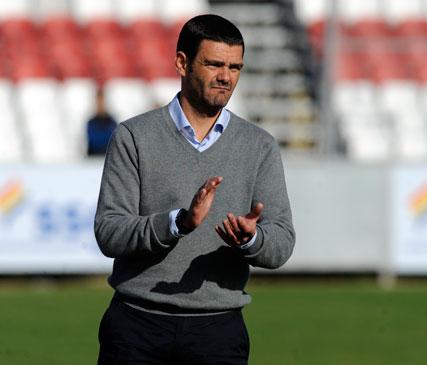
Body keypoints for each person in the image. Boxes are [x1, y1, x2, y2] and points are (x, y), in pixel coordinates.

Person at [94, 14, 295, 365]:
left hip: (218, 332)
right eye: (214, 64)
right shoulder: (134, 137)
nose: (226, 77)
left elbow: (281, 244)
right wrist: (178, 223)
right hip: (136, 328)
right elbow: (110, 232)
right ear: (182, 63)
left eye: (235, 67)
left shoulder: (259, 145)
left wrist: (250, 239)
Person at [86, 89, 118, 156]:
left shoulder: (112, 122)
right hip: (93, 160)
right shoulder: (91, 123)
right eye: (98, 101)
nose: (100, 104)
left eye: (101, 101)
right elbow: (93, 142)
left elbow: (113, 143)